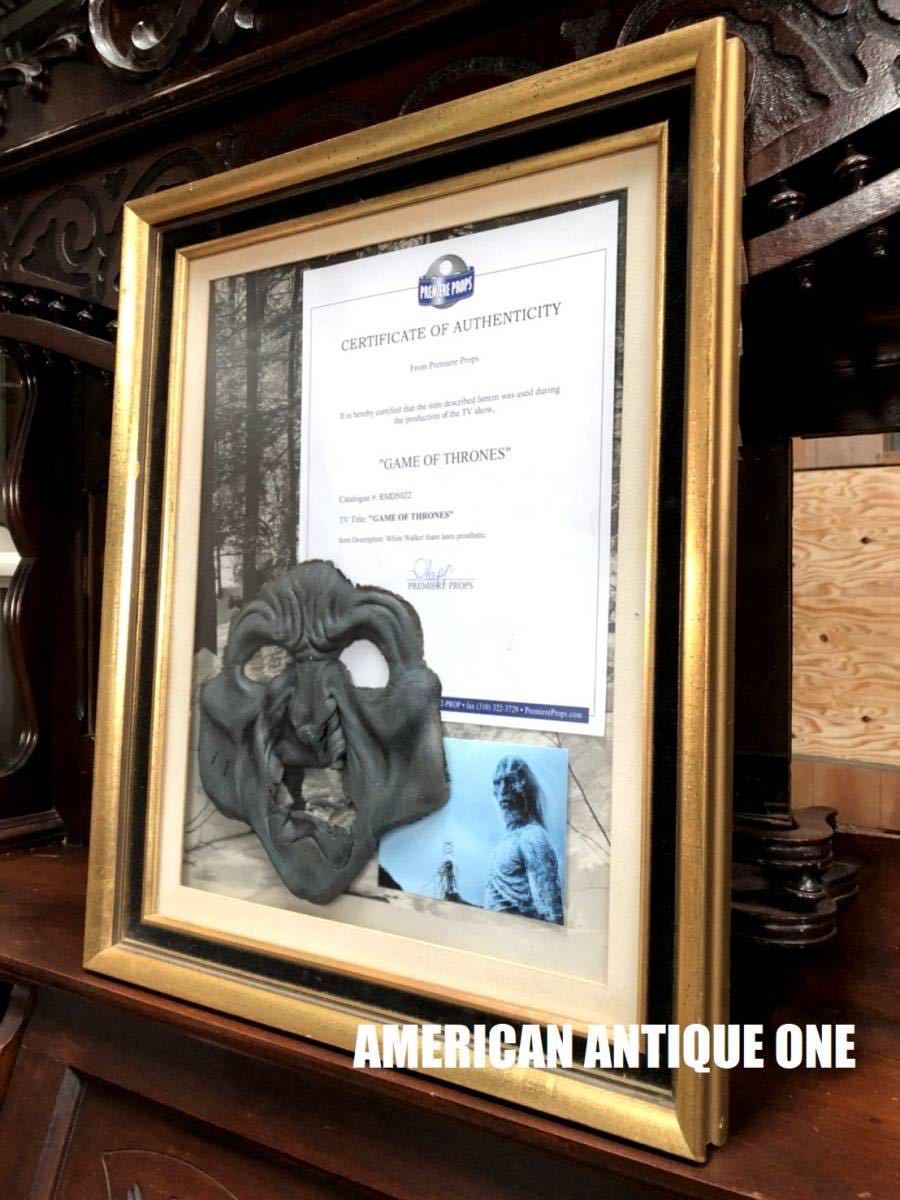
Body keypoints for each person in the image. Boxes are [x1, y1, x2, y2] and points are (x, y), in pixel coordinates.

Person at [484, 755, 563, 924]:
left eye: (510, 781)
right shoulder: (508, 839)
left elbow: (552, 913)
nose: (503, 790)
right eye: (497, 783)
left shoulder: (532, 836)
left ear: (525, 788)